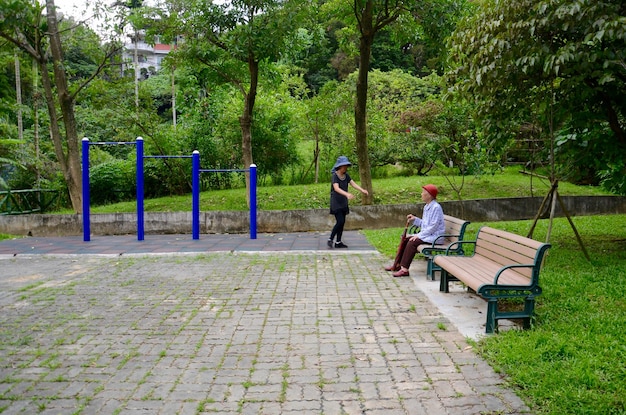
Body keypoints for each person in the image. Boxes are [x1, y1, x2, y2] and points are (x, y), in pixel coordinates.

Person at [385, 184, 445, 277]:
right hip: (428, 235)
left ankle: (404, 270)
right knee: (406, 239)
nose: (421, 194)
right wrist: (414, 219)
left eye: (423, 192)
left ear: (429, 195)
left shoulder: (436, 208)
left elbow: (433, 227)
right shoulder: (427, 206)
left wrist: (418, 236)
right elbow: (424, 224)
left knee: (412, 242)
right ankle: (397, 265)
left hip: (435, 237)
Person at [328, 156, 369, 249]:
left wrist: (362, 190)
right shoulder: (335, 176)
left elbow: (353, 183)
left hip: (343, 202)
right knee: (340, 221)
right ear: (340, 166)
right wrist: (346, 194)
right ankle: (330, 239)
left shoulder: (346, 176)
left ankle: (338, 242)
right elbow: (336, 188)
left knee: (342, 222)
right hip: (336, 202)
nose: (346, 167)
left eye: (347, 166)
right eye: (344, 166)